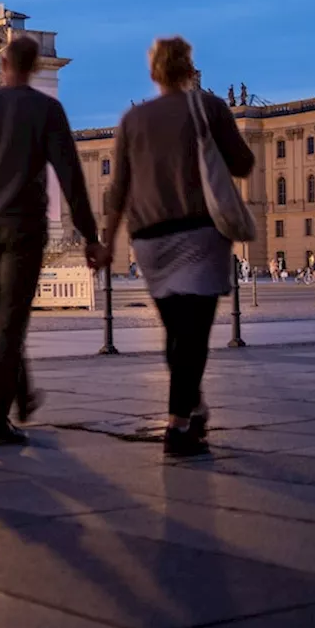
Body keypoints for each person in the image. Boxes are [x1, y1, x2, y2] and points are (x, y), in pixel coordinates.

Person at [0, 35, 103, 445]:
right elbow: (71, 177)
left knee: (5, 319)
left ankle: (25, 395)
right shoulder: (45, 109)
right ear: (33, 68)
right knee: (12, 323)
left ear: (3, 65)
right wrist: (90, 235)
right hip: (23, 226)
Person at [101, 37, 255, 457]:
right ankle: (178, 425)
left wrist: (106, 241)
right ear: (190, 68)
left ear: (154, 72)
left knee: (177, 333)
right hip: (200, 234)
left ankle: (195, 408)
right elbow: (244, 164)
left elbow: (118, 189)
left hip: (149, 241)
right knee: (193, 335)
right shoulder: (209, 108)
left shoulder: (134, 120)